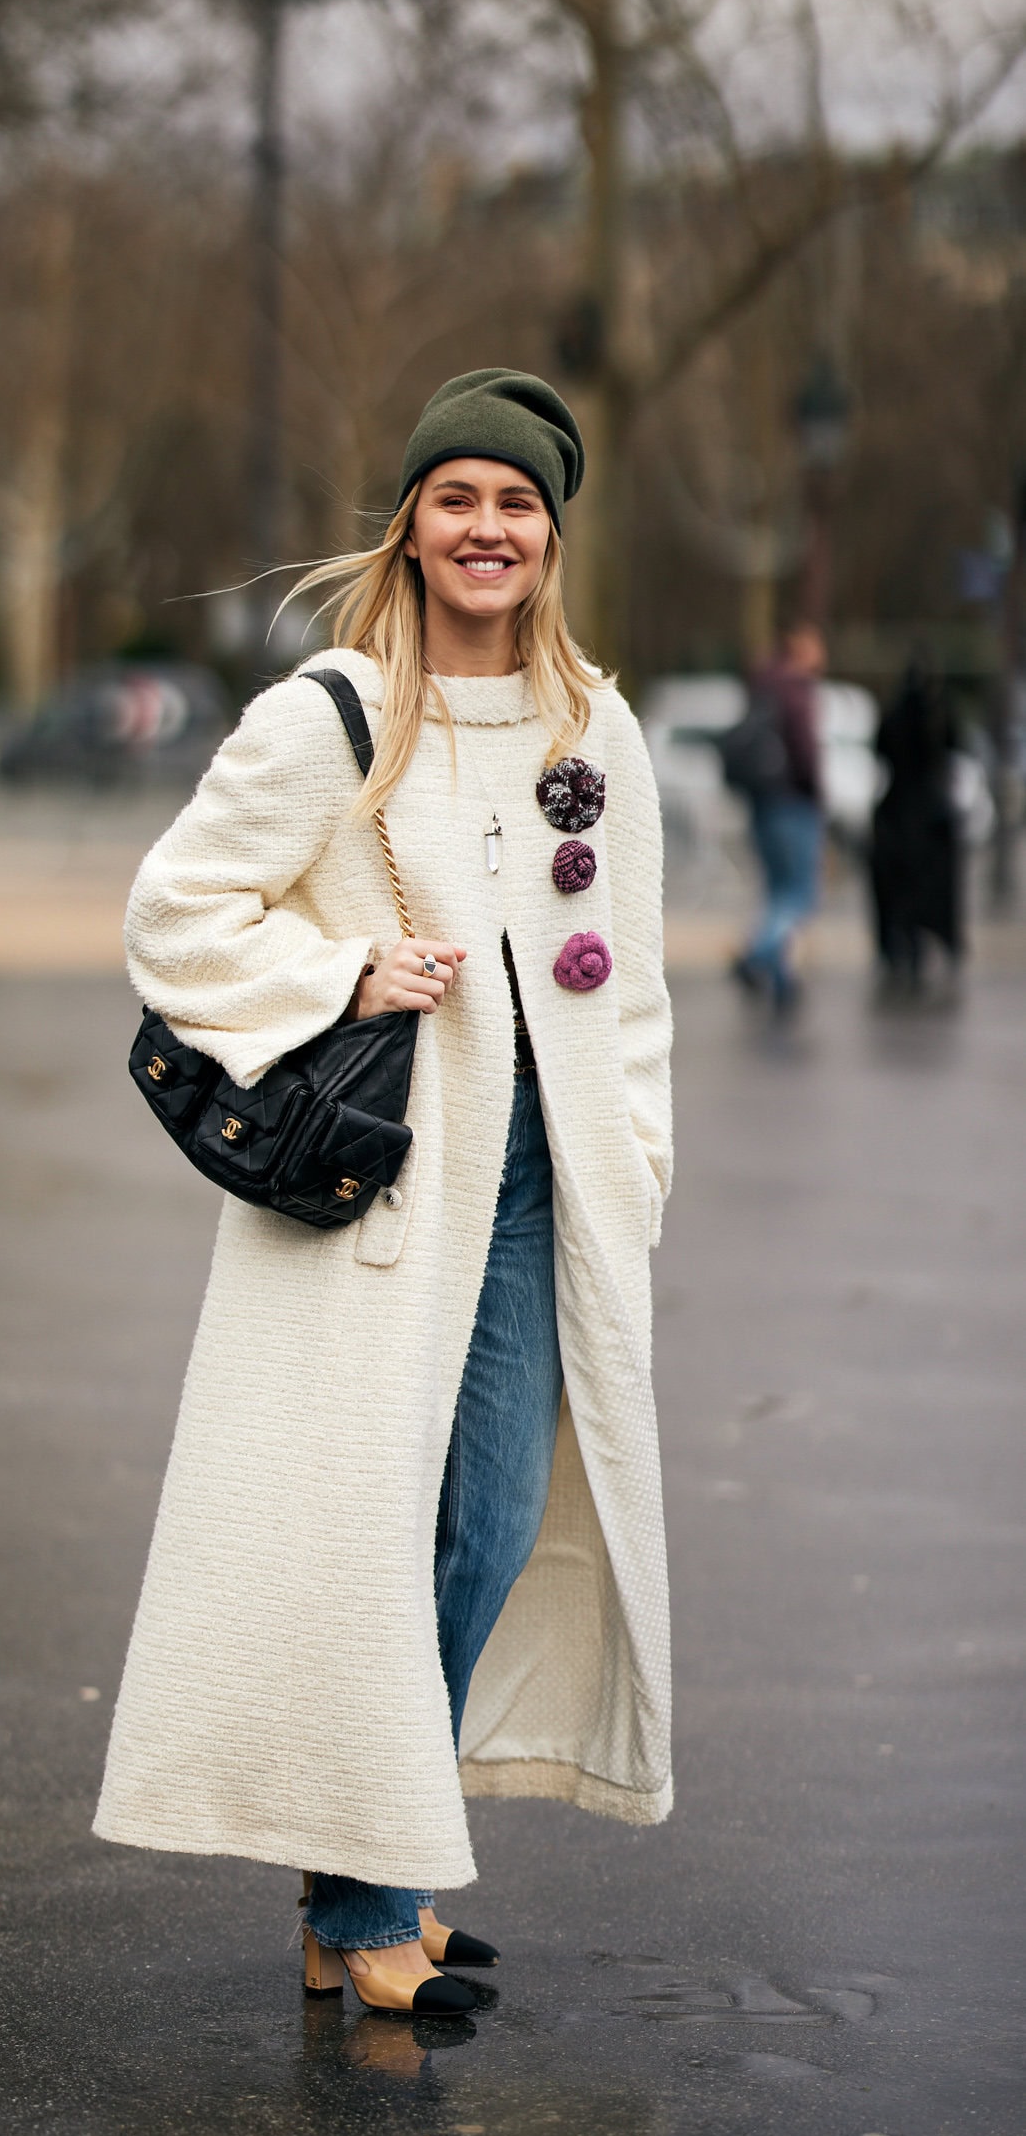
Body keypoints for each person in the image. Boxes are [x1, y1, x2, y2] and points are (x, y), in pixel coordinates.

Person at [95, 370, 675, 2016]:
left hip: (536, 1211)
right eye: (456, 499)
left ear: (550, 536)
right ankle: (366, 1906)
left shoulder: (596, 734)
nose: (485, 528)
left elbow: (626, 987)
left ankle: (369, 1867)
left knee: (484, 1532)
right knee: (369, 1542)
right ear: (411, 525)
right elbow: (177, 913)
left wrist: (635, 1163)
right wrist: (345, 973)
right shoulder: (331, 714)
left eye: (516, 504)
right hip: (380, 1207)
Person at [731, 622, 826, 1014]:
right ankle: (757, 954)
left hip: (764, 803)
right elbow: (806, 753)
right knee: (799, 894)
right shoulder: (796, 689)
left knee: (777, 892)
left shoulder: (762, 683)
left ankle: (783, 979)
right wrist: (817, 794)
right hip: (793, 803)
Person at [870, 661, 964, 992]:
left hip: (900, 814)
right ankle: (919, 943)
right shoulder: (935, 715)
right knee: (925, 888)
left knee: (900, 891)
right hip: (926, 815)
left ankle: (904, 944)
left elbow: (879, 751)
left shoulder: (897, 715)